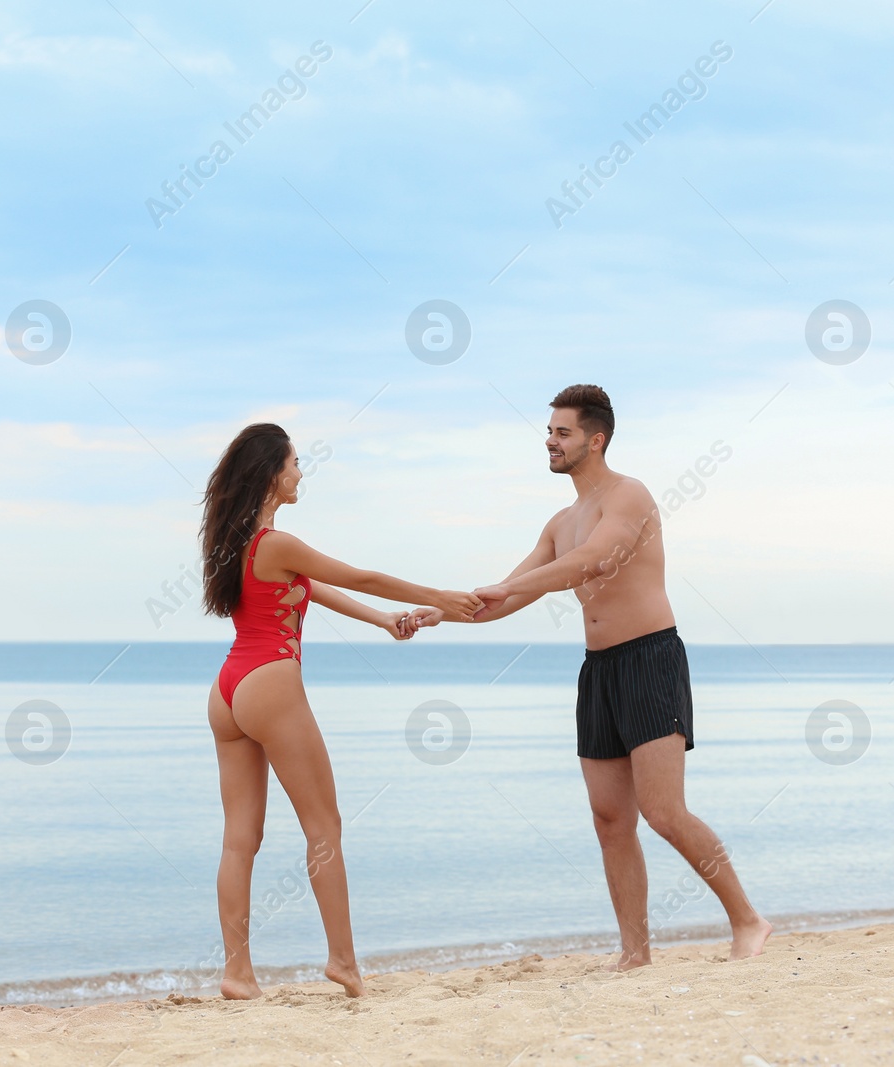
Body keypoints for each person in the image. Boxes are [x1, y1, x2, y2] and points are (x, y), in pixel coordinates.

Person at [412, 385, 772, 969]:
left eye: (562, 433)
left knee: (664, 813)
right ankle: (635, 952)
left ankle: (748, 920)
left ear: (595, 439)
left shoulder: (628, 496)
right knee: (610, 819)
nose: (550, 441)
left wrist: (512, 587)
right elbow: (503, 597)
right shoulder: (560, 520)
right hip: (598, 669)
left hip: (650, 658)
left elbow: (595, 560)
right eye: (549, 432)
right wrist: (439, 612)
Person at [201, 422, 482, 999]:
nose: (300, 473)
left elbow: (314, 589)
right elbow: (361, 575)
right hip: (272, 681)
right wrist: (439, 598)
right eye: (295, 463)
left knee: (238, 839)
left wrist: (384, 621)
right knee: (323, 827)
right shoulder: (276, 542)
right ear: (272, 474)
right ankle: (344, 963)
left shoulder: (239, 543)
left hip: (228, 690)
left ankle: (237, 973)